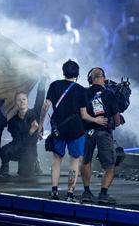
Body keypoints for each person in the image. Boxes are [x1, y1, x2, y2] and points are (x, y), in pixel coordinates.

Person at [39, 60, 106, 202]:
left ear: (63, 71)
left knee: (56, 159)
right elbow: (84, 115)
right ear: (77, 73)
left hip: (59, 128)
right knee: (74, 161)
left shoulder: (54, 85)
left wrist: (40, 125)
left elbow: (45, 106)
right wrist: (96, 120)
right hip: (76, 129)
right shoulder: (81, 90)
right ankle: (70, 193)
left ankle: (54, 191)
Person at [81, 67, 122, 205]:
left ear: (90, 79)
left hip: (87, 132)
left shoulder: (84, 93)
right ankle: (103, 194)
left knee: (86, 161)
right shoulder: (111, 94)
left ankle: (86, 192)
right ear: (103, 78)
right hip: (104, 133)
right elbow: (117, 121)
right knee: (109, 166)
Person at [0, 84, 45, 178]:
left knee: (25, 174)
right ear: (16, 103)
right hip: (18, 147)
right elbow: (19, 141)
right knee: (4, 150)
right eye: (19, 100)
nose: (22, 102)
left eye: (24, 99)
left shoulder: (34, 113)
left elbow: (39, 98)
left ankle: (35, 162)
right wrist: (31, 132)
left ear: (27, 101)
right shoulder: (13, 120)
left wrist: (42, 81)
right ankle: (5, 167)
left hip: (29, 149)